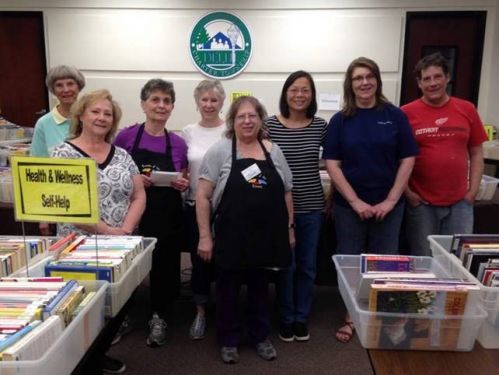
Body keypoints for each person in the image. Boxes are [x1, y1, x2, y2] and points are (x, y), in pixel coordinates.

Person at [322, 57, 418, 343]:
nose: (364, 82)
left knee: (386, 262)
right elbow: (332, 164)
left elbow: (408, 158)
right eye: (357, 78)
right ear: (350, 85)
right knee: (351, 261)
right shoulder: (340, 120)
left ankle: (384, 317)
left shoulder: (395, 115)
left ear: (377, 80)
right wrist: (355, 202)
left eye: (369, 76)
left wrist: (390, 200)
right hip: (349, 206)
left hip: (389, 206)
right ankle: (351, 315)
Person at [52, 89, 146, 374]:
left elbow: (139, 195)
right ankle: (80, 360)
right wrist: (106, 230)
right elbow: (63, 203)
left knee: (119, 301)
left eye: (108, 114)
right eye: (96, 111)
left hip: (120, 245)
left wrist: (126, 229)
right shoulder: (62, 153)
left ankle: (98, 352)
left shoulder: (123, 155)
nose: (102, 117)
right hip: (77, 246)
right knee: (80, 306)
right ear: (81, 114)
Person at [196, 96, 294, 364]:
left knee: (260, 289)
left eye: (253, 116)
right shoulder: (220, 150)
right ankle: (228, 339)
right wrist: (205, 236)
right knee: (227, 290)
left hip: (266, 236)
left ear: (261, 119)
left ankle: (260, 336)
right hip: (230, 235)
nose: (247, 121)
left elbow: (286, 192)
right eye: (241, 116)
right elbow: (203, 196)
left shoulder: (273, 151)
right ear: (233, 121)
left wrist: (290, 229)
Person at [114, 79, 189, 347]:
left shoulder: (178, 143)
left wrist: (181, 183)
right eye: (155, 99)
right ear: (143, 104)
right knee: (126, 266)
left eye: (166, 101)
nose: (161, 105)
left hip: (165, 214)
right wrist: (135, 180)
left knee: (165, 266)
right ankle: (122, 317)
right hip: (131, 213)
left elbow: (184, 175)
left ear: (172, 107)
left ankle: (160, 315)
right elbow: (114, 172)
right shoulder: (125, 137)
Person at [401, 52, 488, 256]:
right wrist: (408, 194)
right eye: (426, 79)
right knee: (424, 259)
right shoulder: (406, 113)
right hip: (421, 204)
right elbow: (398, 159)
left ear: (447, 78)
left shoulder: (466, 109)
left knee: (456, 260)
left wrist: (472, 192)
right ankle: (425, 291)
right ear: (419, 83)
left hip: (460, 203)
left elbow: (476, 153)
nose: (432, 83)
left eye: (437, 76)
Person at [267, 70, 327, 342]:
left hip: (312, 206)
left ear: (312, 95)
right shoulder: (270, 126)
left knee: (307, 265)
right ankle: (286, 316)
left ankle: (301, 318)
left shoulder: (320, 126)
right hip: (278, 211)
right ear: (285, 93)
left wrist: (334, 194)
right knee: (285, 266)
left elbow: (336, 163)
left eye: (305, 90)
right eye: (294, 89)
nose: (299, 94)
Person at [181, 79, 226, 340]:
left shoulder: (231, 130)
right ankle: (200, 311)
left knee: (225, 262)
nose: (208, 105)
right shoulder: (187, 131)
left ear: (222, 102)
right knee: (199, 262)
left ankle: (225, 311)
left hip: (226, 209)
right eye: (204, 100)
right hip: (195, 206)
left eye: (214, 100)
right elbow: (183, 167)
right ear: (197, 102)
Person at [30, 65, 86, 235]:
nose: (66, 89)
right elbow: (38, 169)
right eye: (59, 85)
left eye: (70, 83)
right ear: (53, 90)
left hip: (95, 199)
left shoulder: (92, 117)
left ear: (79, 86)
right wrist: (43, 214)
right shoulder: (44, 124)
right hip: (62, 205)